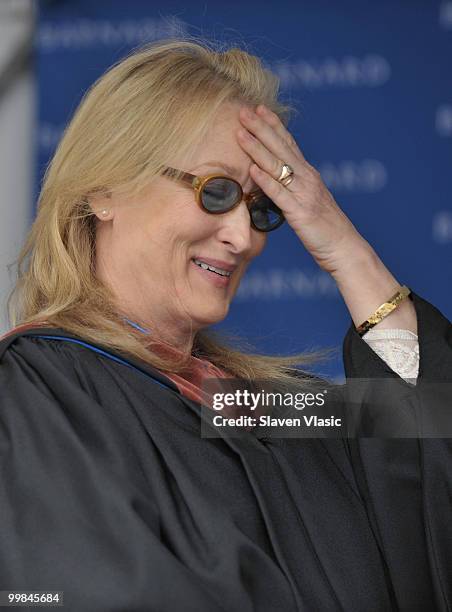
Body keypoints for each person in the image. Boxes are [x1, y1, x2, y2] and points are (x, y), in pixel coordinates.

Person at [0, 39, 451, 612]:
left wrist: (345, 248)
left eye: (264, 209)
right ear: (103, 189)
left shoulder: (260, 405)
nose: (245, 238)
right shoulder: (44, 389)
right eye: (215, 193)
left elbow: (424, 448)